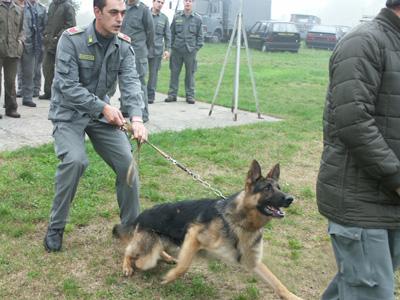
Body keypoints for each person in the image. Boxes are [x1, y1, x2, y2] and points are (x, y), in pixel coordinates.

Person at [43, 0, 148, 252]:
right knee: (75, 161)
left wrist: (137, 119)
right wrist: (103, 107)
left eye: (122, 13)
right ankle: (55, 227)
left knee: (127, 165)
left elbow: (131, 82)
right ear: (97, 12)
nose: (120, 18)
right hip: (69, 112)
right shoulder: (71, 39)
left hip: (101, 116)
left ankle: (130, 230)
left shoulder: (123, 44)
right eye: (113, 12)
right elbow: (66, 86)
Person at [316, 1, 400, 299]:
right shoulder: (364, 42)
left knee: (357, 286)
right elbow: (353, 122)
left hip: (388, 202)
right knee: (370, 291)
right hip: (361, 202)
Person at [121, 0, 154, 122]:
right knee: (123, 81)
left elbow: (151, 33)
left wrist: (144, 50)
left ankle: (143, 114)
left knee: (139, 84)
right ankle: (125, 109)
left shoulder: (144, 10)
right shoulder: (121, 5)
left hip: (138, 53)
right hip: (122, 51)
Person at [165, 0, 203, 104]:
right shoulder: (177, 17)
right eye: (186, 0)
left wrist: (195, 49)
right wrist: (170, 47)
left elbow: (200, 37)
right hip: (177, 50)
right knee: (174, 73)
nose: (188, 3)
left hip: (190, 51)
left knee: (190, 74)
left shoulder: (198, 18)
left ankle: (190, 96)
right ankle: (172, 95)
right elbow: (171, 33)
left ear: (193, 2)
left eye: (190, 1)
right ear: (183, 2)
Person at [39, 0, 76, 100]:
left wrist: (57, 37)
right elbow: (48, 22)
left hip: (61, 43)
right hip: (49, 43)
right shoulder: (51, 5)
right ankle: (48, 92)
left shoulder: (68, 6)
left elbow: (71, 25)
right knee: (46, 68)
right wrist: (45, 34)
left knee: (62, 70)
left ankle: (61, 94)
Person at [17, 0, 47, 107]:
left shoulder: (33, 8)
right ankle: (10, 100)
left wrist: (40, 42)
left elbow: (40, 27)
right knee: (12, 73)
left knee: (30, 72)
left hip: (31, 44)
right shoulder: (12, 5)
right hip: (15, 43)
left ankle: (28, 97)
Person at [0, 0, 24, 119]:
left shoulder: (19, 9)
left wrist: (21, 42)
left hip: (13, 50)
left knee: (10, 81)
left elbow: (22, 30)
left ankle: (11, 108)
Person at [147, 0, 171, 104]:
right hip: (143, 49)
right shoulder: (145, 14)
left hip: (156, 50)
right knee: (139, 74)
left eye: (162, 2)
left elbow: (168, 36)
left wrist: (167, 50)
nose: (160, 4)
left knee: (153, 75)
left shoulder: (164, 18)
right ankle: (137, 95)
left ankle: (150, 97)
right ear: (153, 2)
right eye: (158, 1)